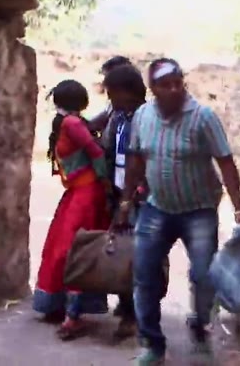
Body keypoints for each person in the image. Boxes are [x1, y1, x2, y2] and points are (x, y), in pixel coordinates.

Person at [115, 58, 240, 365]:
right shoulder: (143, 116)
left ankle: (200, 333)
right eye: (166, 85)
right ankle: (152, 346)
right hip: (157, 209)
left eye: (178, 82)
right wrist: (125, 201)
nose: (175, 89)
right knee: (144, 275)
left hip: (198, 211)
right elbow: (136, 159)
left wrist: (238, 207)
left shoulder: (203, 117)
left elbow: (226, 162)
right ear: (153, 88)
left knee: (203, 277)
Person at [33, 79, 112, 341]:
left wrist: (103, 182)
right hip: (83, 191)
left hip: (84, 193)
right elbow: (94, 149)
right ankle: (68, 307)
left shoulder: (67, 123)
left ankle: (69, 311)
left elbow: (94, 151)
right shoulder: (72, 122)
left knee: (71, 249)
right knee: (71, 248)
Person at [98, 64, 150, 339]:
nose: (110, 98)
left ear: (128, 92)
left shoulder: (149, 117)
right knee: (122, 250)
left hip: (141, 196)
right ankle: (127, 305)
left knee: (139, 256)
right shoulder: (117, 118)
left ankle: (134, 314)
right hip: (121, 192)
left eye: (113, 93)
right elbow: (109, 150)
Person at [88, 55, 133, 134]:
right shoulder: (113, 105)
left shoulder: (134, 113)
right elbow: (99, 120)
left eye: (108, 78)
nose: (104, 83)